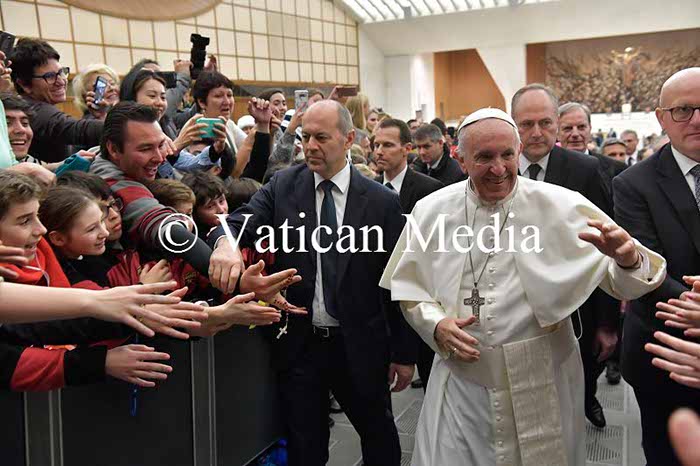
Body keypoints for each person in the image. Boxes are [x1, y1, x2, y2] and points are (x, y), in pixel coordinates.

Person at [380, 107, 666, 466]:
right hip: (464, 382)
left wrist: (627, 260)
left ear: (518, 151)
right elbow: (410, 288)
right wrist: (435, 324)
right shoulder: (430, 211)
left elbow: (624, 283)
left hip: (545, 377)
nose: (499, 169)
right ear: (461, 159)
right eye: (484, 157)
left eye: (507, 155)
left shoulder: (562, 204)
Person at [207, 100, 415, 466]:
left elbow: (397, 282)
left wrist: (403, 353)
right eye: (305, 137)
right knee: (306, 445)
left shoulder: (382, 202)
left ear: (349, 139)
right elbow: (241, 220)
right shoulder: (283, 186)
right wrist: (226, 244)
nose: (310, 146)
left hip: (360, 345)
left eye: (321, 137)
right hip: (301, 346)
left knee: (379, 437)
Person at [613, 67, 700, 466]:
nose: (696, 120)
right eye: (683, 110)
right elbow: (648, 269)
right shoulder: (634, 184)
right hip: (664, 348)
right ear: (661, 118)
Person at [514, 85, 614, 428]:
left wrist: (607, 322)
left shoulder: (584, 169)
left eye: (545, 122)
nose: (536, 132)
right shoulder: (498, 166)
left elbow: (604, 247)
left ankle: (587, 400)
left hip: (575, 304)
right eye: (526, 124)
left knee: (578, 375)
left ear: (556, 123)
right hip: (516, 303)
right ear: (513, 124)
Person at [374, 118, 443, 390]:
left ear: (406, 148)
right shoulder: (368, 190)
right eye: (376, 145)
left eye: (388, 145)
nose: (379, 151)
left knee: (432, 384)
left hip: (422, 295)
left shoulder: (429, 190)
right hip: (382, 302)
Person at [9, 38, 102, 163]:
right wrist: (124, 125)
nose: (61, 81)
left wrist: (101, 115)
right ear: (24, 84)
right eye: (50, 76)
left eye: (61, 72)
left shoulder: (39, 105)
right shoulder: (31, 109)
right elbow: (77, 130)